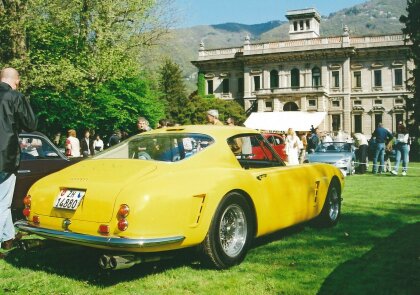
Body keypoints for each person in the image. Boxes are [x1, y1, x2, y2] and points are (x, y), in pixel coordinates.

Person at [0, 68, 37, 255]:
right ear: (16, 81)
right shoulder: (14, 96)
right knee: (3, 203)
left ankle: (8, 239)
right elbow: (30, 124)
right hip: (5, 156)